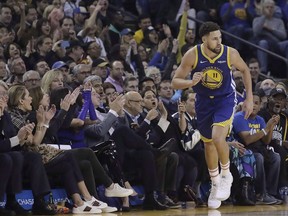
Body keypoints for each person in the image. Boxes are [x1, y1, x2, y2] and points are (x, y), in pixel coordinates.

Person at [171, 21, 253, 209]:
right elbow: (175, 81)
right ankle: (215, 183)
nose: (219, 41)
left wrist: (249, 98)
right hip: (203, 102)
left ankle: (226, 175)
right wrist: (190, 82)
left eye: (220, 37)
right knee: (208, 144)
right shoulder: (192, 55)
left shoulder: (229, 53)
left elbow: (245, 70)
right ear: (204, 39)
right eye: (215, 38)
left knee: (218, 137)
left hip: (225, 99)